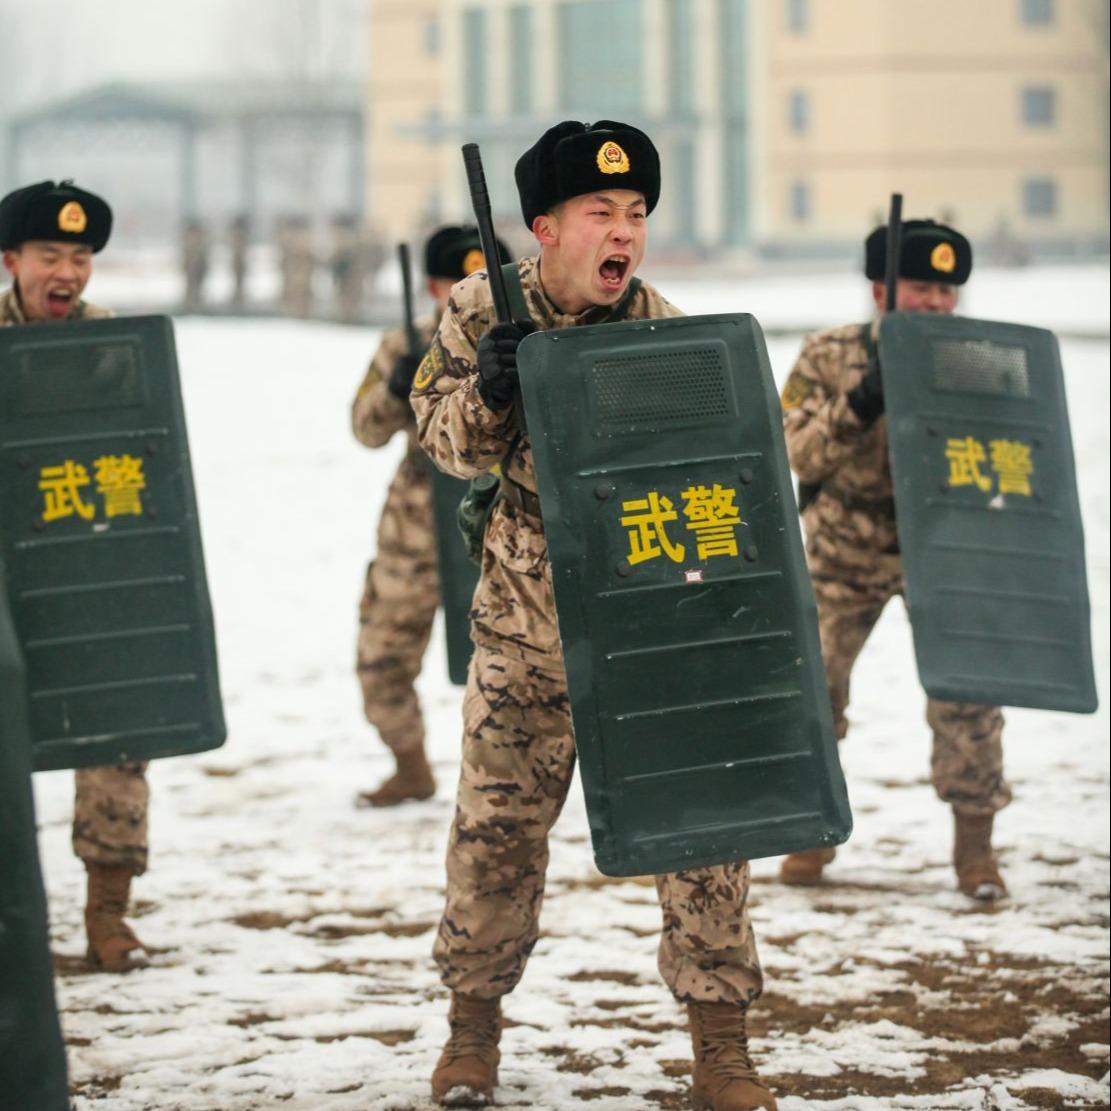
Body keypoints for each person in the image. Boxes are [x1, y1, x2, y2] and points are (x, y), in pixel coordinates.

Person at [411, 122, 777, 1111]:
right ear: (544, 227)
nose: (624, 232)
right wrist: (491, 388)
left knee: (702, 841)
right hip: (523, 639)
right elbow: (437, 438)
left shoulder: (666, 329)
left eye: (637, 214)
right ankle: (471, 1035)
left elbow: (729, 480)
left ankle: (722, 1051)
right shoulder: (483, 306)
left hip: (648, 629)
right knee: (493, 837)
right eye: (600, 213)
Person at [779, 219, 1010, 900]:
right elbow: (798, 453)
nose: (937, 302)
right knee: (812, 690)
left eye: (947, 289)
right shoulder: (826, 355)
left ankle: (975, 851)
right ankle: (809, 829)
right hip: (842, 545)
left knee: (967, 697)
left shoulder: (977, 358)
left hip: (942, 547)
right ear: (880, 289)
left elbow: (1012, 459)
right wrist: (859, 402)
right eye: (921, 286)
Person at [0, 179, 152, 971]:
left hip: (82, 567)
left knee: (114, 733)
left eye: (81, 256)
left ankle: (108, 913)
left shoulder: (112, 340)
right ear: (11, 260)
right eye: (50, 255)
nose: (67, 272)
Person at [351, 225, 507, 808]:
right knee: (382, 656)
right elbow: (363, 429)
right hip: (414, 529)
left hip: (501, 522)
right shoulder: (404, 343)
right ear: (434, 286)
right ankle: (410, 764)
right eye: (458, 284)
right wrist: (395, 390)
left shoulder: (521, 341)